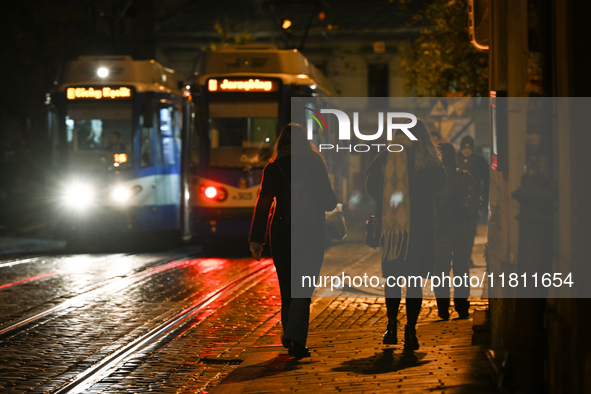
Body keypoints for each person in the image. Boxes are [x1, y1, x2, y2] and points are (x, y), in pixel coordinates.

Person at [249, 124, 337, 359]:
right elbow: (329, 201)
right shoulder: (315, 163)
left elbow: (263, 205)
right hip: (311, 233)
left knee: (287, 287)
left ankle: (290, 332)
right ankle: (296, 339)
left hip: (282, 233)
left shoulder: (273, 168)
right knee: (304, 288)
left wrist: (256, 240)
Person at [366, 120, 447, 353]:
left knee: (392, 279)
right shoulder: (427, 160)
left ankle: (391, 326)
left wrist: (390, 197)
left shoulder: (385, 157)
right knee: (414, 282)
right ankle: (410, 331)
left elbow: (371, 188)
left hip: (393, 233)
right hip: (420, 231)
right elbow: (442, 183)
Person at [434, 143, 480, 320]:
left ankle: (443, 308)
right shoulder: (464, 176)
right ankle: (462, 307)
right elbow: (477, 197)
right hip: (462, 228)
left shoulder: (435, 180)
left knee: (442, 270)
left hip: (440, 229)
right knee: (461, 268)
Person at [456, 136, 489, 266]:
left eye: (469, 148)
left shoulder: (478, 160)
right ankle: (461, 257)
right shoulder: (457, 158)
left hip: (471, 202)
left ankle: (466, 256)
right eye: (465, 147)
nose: (467, 150)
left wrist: (482, 198)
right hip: (458, 200)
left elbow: (486, 180)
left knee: (469, 231)